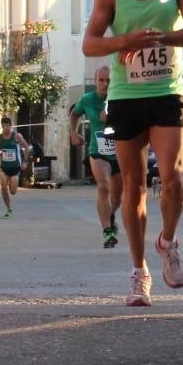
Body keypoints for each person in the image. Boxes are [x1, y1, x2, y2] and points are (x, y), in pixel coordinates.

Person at [82, 0, 183, 307]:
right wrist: (125, 41)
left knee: (174, 178)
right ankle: (139, 273)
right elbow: (90, 44)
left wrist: (160, 39)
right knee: (132, 188)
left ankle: (167, 241)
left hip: (167, 91)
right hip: (126, 96)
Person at [70, 65, 123, 249]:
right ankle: (107, 231)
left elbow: (133, 121)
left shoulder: (120, 98)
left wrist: (114, 117)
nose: (105, 84)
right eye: (101, 80)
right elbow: (74, 114)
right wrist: (73, 133)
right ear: (96, 81)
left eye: (108, 81)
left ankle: (111, 215)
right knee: (103, 186)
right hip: (97, 151)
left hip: (119, 153)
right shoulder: (87, 99)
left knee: (117, 198)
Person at [0, 116, 30, 218]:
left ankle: (12, 183)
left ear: (11, 126)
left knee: (13, 191)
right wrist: (0, 158)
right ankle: (9, 209)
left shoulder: (16, 136)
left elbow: (26, 147)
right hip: (4, 168)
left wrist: (25, 162)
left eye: (7, 126)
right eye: (3, 126)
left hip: (15, 168)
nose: (5, 128)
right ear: (1, 126)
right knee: (3, 187)